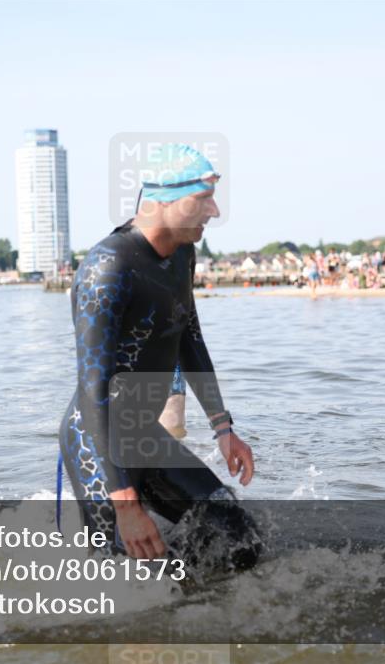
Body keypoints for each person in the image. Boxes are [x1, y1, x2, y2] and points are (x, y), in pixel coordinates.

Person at [59, 144, 259, 569]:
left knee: (242, 543)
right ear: (165, 196)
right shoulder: (108, 268)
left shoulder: (183, 252)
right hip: (97, 442)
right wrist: (126, 503)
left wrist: (222, 428)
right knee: (128, 579)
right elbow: (95, 388)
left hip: (143, 436)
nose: (214, 211)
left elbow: (188, 334)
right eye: (204, 198)